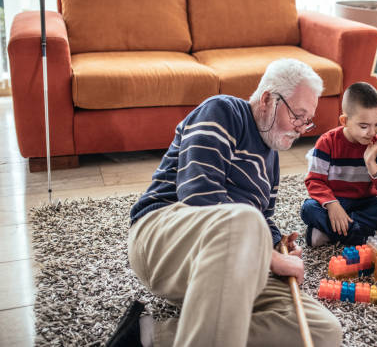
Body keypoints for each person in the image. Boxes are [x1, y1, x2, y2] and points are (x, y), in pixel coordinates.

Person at [106, 59, 343, 347]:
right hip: (165, 240)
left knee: (323, 331)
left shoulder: (271, 161)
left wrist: (279, 244)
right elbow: (199, 194)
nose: (302, 128)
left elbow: (262, 222)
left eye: (308, 121)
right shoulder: (223, 110)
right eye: (298, 116)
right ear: (268, 99)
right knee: (245, 221)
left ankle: (148, 337)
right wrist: (274, 259)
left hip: (231, 263)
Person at [301, 82, 377, 247]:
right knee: (308, 209)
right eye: (364, 126)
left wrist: (371, 163)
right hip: (335, 202)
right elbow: (314, 181)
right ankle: (366, 232)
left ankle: (332, 232)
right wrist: (333, 205)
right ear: (344, 121)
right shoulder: (327, 142)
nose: (372, 132)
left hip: (365, 203)